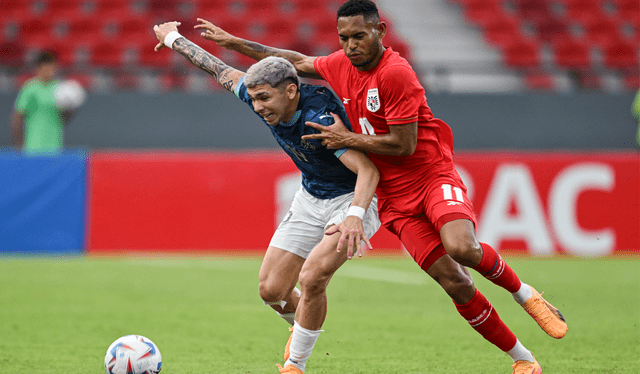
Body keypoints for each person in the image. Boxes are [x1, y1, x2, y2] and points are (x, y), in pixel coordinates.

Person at [195, 1, 568, 373]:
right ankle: (523, 359)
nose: (351, 45)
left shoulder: (395, 74)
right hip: (393, 197)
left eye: (359, 35)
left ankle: (526, 296)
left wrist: (347, 138)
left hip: (430, 176)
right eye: (344, 38)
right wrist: (233, 42)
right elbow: (291, 59)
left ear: (380, 31)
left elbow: (403, 145)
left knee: (461, 247)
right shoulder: (341, 64)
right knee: (454, 282)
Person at [152, 21, 381, 374]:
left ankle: (295, 366)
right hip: (311, 195)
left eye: (264, 98)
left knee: (313, 276)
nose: (258, 107)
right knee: (271, 290)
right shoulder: (257, 94)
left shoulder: (317, 119)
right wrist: (172, 38)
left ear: (291, 91)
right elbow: (217, 68)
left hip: (350, 198)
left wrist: (354, 215)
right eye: (254, 98)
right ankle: (301, 323)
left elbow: (368, 171)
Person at [9, 51, 75, 154]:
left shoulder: (59, 89)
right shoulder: (30, 88)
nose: (50, 70)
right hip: (34, 147)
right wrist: (18, 145)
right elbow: (17, 117)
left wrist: (71, 108)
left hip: (55, 147)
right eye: (46, 67)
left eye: (52, 67)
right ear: (38, 68)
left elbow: (63, 120)